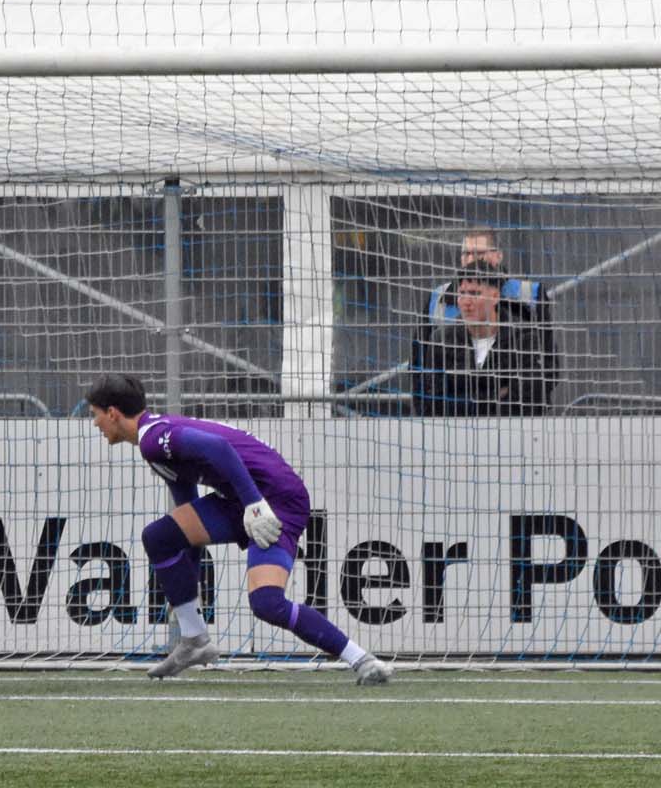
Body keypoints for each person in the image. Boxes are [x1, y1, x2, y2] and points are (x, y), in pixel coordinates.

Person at [86, 372, 392, 687]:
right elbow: (187, 516)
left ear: (113, 413)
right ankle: (194, 640)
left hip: (277, 500)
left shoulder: (154, 438)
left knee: (267, 603)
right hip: (240, 500)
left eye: (95, 415)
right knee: (159, 537)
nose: (95, 423)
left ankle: (363, 660)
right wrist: (186, 588)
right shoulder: (153, 446)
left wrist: (254, 505)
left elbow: (218, 447)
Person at [411, 263, 557, 415]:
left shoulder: (523, 337)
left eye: (475, 294)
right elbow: (433, 403)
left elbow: (529, 401)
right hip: (458, 429)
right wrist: (497, 395)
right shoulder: (441, 340)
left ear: (495, 297)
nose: (466, 302)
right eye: (461, 294)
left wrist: (463, 400)